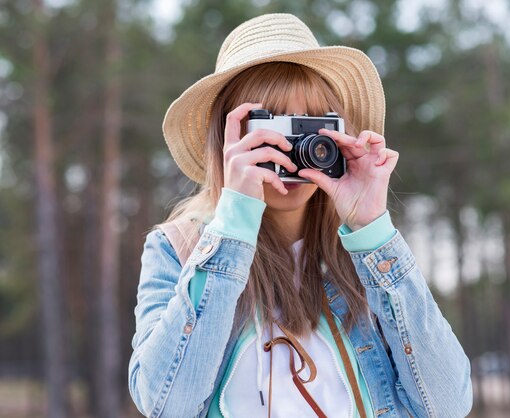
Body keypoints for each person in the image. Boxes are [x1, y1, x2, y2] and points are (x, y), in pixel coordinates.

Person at [128, 13, 472, 418]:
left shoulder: (368, 256)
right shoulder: (177, 249)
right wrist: (234, 222)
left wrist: (372, 231)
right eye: (269, 126)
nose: (291, 149)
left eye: (309, 126)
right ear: (227, 140)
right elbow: (166, 406)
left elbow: (449, 406)